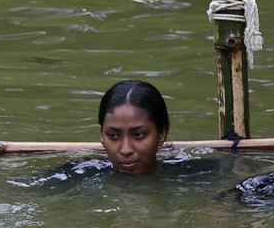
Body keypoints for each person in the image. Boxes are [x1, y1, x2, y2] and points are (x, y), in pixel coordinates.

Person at [35, 79, 181, 185]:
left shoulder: (195, 175)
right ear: (102, 135)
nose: (125, 150)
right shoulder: (75, 174)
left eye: (138, 135)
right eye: (113, 136)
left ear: (162, 134)